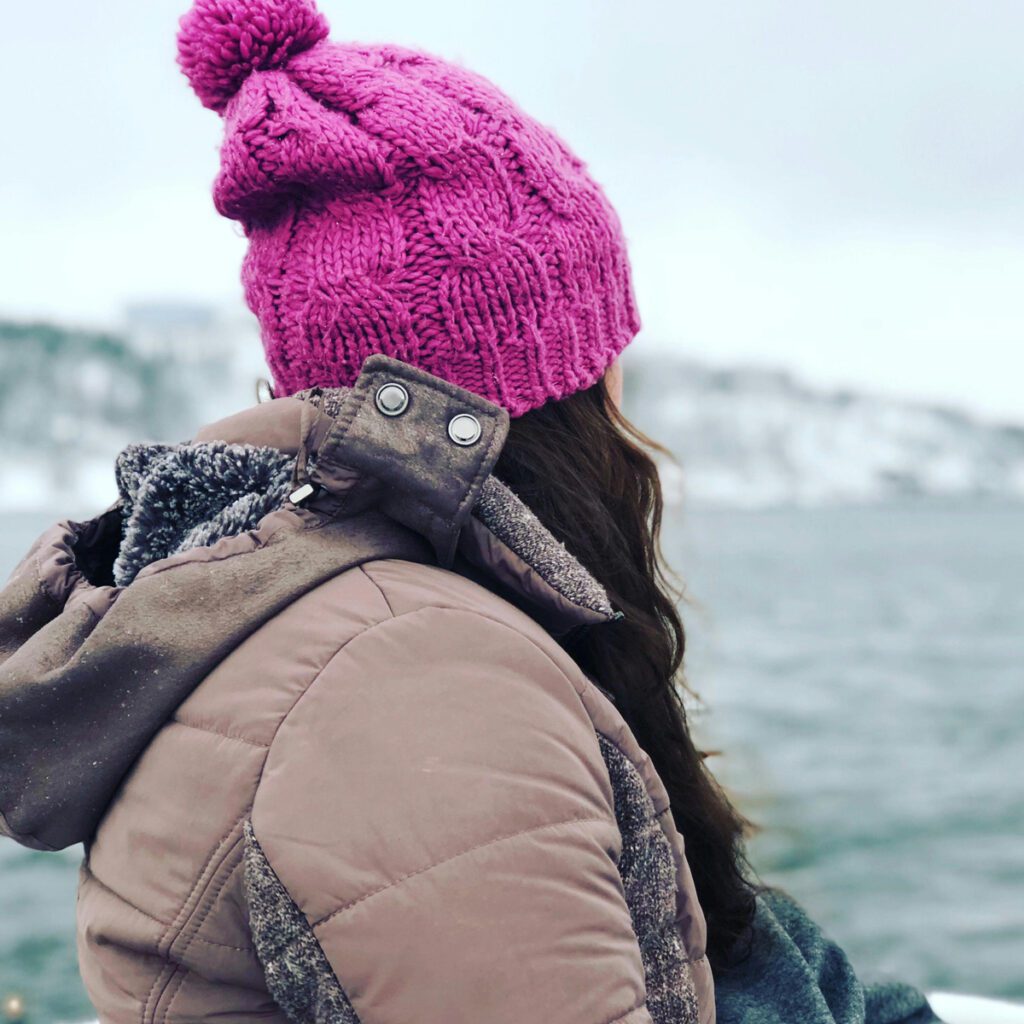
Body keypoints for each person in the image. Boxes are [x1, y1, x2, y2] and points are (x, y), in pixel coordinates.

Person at [0, 1, 940, 1021]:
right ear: (557, 393)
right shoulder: (412, 674)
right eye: (606, 354)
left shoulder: (329, 619)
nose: (626, 398)